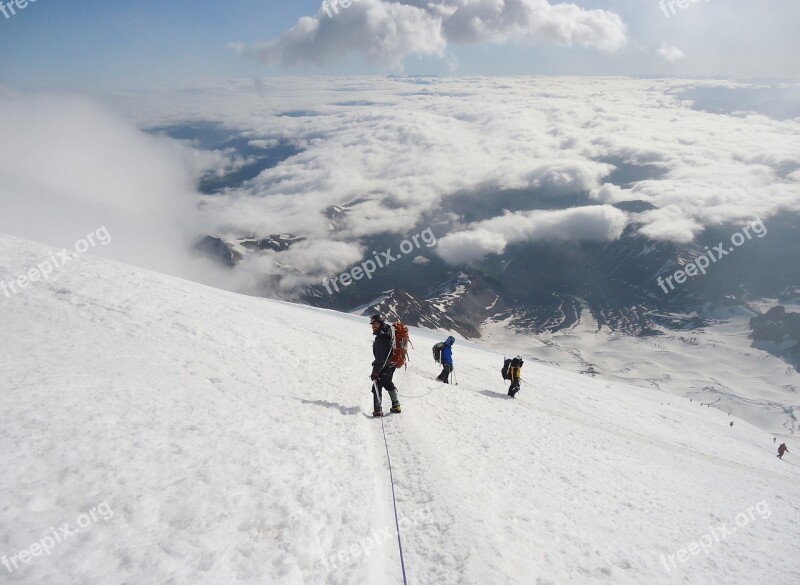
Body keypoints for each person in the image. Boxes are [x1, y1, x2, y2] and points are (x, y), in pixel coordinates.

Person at [370, 314, 401, 417]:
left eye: (376, 323)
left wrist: (375, 371)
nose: (373, 326)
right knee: (388, 383)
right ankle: (396, 406)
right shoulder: (388, 333)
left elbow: (380, 359)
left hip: (385, 366)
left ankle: (378, 411)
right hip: (391, 365)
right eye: (373, 324)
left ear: (380, 323)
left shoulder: (381, 338)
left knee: (377, 386)